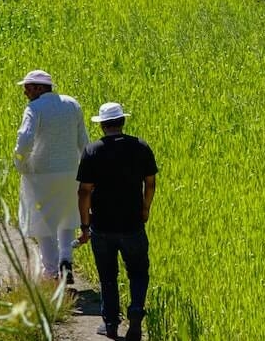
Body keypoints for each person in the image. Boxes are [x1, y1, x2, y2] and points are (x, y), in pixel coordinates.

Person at [76, 101, 157, 341]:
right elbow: (150, 183)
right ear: (122, 121)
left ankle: (110, 324)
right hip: (132, 224)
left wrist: (84, 224)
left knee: (108, 276)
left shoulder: (92, 151)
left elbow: (84, 191)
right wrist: (145, 208)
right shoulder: (140, 147)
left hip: (102, 225)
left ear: (101, 125)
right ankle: (135, 311)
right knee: (139, 273)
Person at [13, 69, 88, 284]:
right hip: (71, 172)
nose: (25, 93)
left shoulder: (34, 109)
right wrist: (87, 168)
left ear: (38, 88)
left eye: (27, 88)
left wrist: (21, 162)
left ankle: (52, 271)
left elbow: (25, 139)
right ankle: (66, 257)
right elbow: (83, 140)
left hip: (41, 173)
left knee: (43, 222)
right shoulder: (72, 104)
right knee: (66, 216)